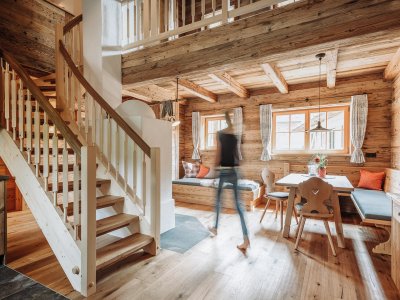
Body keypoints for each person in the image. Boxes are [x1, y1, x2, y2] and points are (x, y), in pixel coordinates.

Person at [208, 111, 250, 251]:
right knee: (239, 206)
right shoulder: (236, 136)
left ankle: (215, 228)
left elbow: (218, 154)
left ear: (224, 120)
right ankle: (246, 239)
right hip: (235, 172)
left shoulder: (220, 134)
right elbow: (240, 156)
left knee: (218, 202)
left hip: (224, 172)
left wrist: (213, 171)